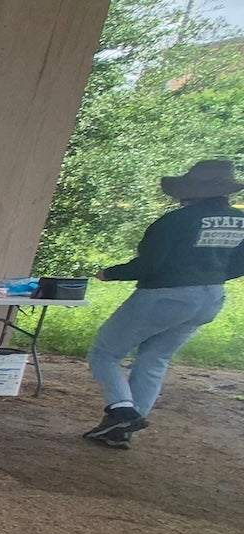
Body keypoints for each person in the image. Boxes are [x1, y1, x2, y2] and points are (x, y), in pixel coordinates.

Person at [84, 160, 244, 450]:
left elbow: (150, 263)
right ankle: (122, 430)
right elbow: (239, 265)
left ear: (191, 191)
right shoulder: (240, 221)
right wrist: (210, 275)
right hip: (212, 296)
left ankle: (121, 410)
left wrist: (111, 273)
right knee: (155, 359)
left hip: (165, 294)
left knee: (106, 352)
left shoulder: (176, 220)